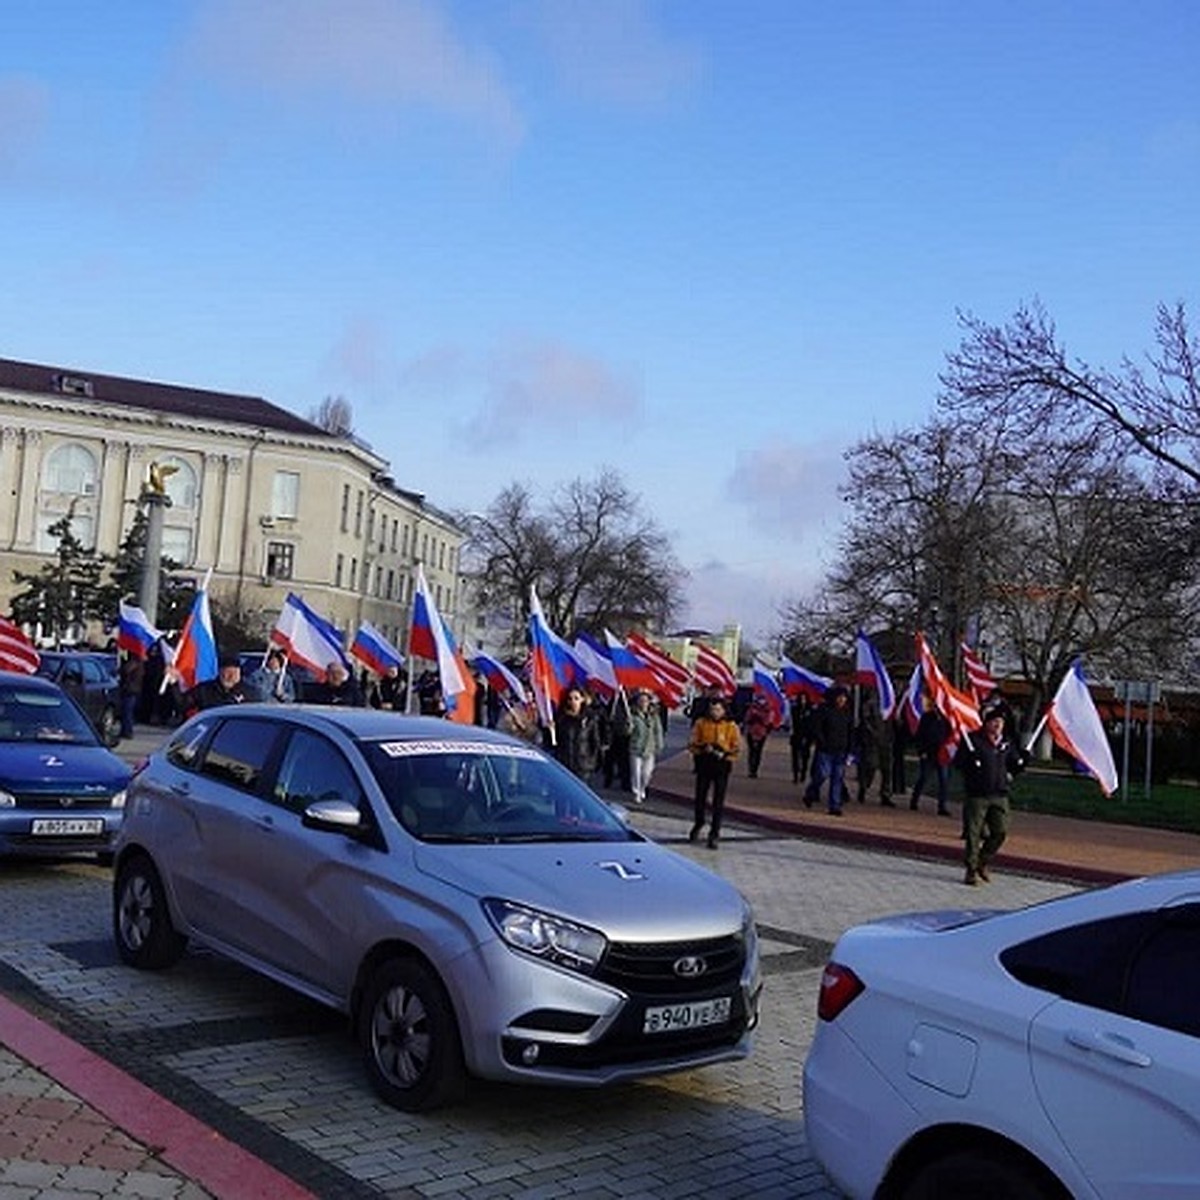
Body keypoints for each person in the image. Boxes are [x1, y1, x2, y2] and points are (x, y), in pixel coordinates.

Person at [958, 703, 1028, 885]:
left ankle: (983, 860)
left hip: (999, 794)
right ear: (986, 723)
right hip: (978, 794)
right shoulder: (973, 740)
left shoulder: (1006, 743)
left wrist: (1022, 761)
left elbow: (1014, 764)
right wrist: (969, 762)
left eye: (1001, 722)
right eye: (994, 722)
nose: (998, 725)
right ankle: (971, 870)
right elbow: (958, 762)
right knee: (974, 833)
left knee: (1000, 831)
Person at [687, 696, 741, 848]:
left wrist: (724, 753)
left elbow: (736, 747)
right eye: (712, 709)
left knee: (718, 801)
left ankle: (715, 832)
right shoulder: (701, 723)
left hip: (722, 766)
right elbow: (692, 743)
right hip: (704, 763)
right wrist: (704, 747)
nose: (715, 712)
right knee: (700, 797)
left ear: (724, 710)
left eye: (718, 709)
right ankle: (699, 823)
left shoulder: (731, 726)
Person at [803, 685, 854, 815]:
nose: (842, 700)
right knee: (822, 774)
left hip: (841, 750)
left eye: (844, 697)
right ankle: (811, 791)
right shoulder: (824, 710)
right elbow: (815, 727)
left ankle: (834, 806)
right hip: (826, 749)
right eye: (840, 697)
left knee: (837, 778)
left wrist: (850, 749)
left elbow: (850, 732)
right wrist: (821, 741)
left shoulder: (847, 713)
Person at [910, 708, 952, 816]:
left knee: (944, 781)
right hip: (928, 753)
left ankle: (942, 806)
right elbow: (920, 735)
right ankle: (914, 800)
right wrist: (922, 751)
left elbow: (950, 734)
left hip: (942, 754)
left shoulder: (947, 718)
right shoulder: (927, 717)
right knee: (924, 777)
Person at [855, 691, 894, 806]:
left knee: (887, 769)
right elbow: (865, 720)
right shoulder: (871, 703)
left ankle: (885, 795)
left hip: (887, 740)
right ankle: (864, 786)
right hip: (872, 741)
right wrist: (873, 733)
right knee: (871, 765)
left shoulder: (891, 703)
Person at [554, 686, 602, 779]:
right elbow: (556, 741)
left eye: (576, 698)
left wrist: (591, 762)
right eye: (570, 699)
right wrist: (550, 729)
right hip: (565, 764)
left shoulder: (589, 719)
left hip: (582, 766)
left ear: (582, 699)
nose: (573, 702)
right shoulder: (562, 719)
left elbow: (595, 742)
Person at [628, 689, 664, 803]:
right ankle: (636, 792)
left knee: (646, 773)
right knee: (636, 772)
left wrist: (659, 744)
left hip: (650, 748)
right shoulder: (632, 715)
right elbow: (627, 732)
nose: (643, 703)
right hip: (636, 747)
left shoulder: (654, 716)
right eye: (641, 700)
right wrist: (628, 725)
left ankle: (643, 788)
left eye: (645, 700)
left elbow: (658, 731)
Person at [603, 694, 632, 792]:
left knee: (624, 761)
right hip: (612, 734)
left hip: (624, 735)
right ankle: (608, 779)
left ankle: (625, 783)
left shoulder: (628, 703)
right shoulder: (610, 702)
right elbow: (605, 716)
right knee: (610, 760)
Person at [743, 695, 772, 779]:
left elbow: (768, 722)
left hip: (761, 732)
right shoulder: (752, 707)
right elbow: (747, 719)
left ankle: (755, 770)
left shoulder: (767, 709)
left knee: (758, 752)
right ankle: (751, 769)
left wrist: (760, 717)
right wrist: (752, 717)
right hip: (751, 731)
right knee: (751, 751)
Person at [788, 694, 815, 784]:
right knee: (795, 756)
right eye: (801, 698)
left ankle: (803, 773)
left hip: (807, 736)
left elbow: (812, 724)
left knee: (805, 756)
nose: (803, 700)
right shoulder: (795, 709)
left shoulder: (811, 710)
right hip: (796, 735)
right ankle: (795, 774)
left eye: (805, 698)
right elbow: (791, 722)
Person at [117, 651, 144, 739]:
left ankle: (128, 731)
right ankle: (125, 730)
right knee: (125, 711)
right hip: (131, 689)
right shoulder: (138, 663)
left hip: (130, 690)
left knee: (127, 711)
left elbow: (125, 670)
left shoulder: (135, 663)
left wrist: (122, 663)